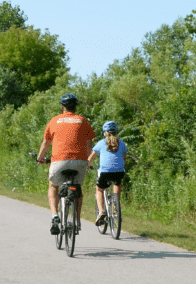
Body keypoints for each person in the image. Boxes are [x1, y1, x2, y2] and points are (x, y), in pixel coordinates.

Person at [36, 93, 95, 235]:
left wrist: (40, 158)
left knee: (53, 186)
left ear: (62, 107)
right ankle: (76, 221)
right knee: (78, 189)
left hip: (59, 161)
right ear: (75, 107)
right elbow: (89, 144)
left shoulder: (54, 121)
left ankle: (55, 215)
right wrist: (87, 161)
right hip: (80, 161)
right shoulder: (83, 121)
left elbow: (46, 143)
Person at [87, 120, 128, 225]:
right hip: (119, 171)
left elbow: (92, 157)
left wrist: (86, 165)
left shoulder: (101, 143)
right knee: (117, 183)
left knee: (99, 189)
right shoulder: (122, 144)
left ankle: (101, 211)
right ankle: (116, 205)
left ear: (105, 132)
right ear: (116, 132)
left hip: (105, 172)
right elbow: (124, 159)